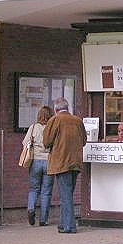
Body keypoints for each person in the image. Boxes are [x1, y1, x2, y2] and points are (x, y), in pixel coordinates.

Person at [43, 97, 87, 233]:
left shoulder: (54, 120)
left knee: (65, 195)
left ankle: (69, 226)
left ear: (56, 109)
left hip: (61, 162)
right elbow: (84, 141)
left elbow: (46, 142)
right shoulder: (77, 121)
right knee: (67, 193)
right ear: (67, 108)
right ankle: (62, 224)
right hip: (75, 162)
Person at [22, 106, 55, 226]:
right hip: (49, 162)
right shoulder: (52, 129)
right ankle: (43, 219)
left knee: (33, 189)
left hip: (35, 161)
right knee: (46, 192)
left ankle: (31, 208)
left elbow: (25, 143)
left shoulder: (33, 127)